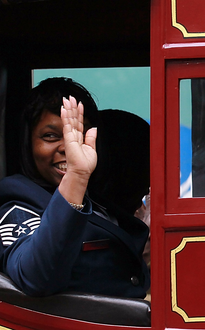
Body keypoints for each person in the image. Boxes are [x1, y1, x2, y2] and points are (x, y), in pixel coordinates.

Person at [0, 78, 149, 298]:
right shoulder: (17, 203)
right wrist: (76, 175)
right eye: (50, 136)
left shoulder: (98, 200)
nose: (69, 148)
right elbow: (37, 277)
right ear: (27, 144)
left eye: (80, 135)